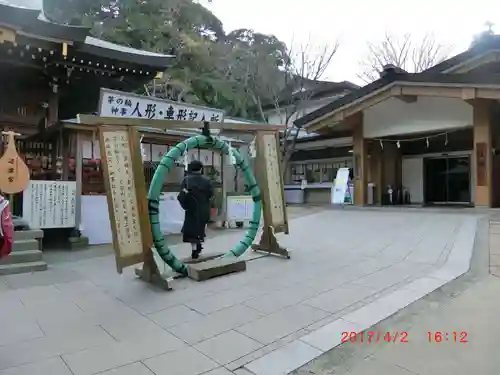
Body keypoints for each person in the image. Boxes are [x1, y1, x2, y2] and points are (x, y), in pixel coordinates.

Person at [177, 160, 214, 259]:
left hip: (191, 209)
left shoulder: (186, 180)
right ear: (201, 169)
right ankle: (199, 244)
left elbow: (181, 195)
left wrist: (185, 205)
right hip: (203, 208)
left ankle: (194, 249)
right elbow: (210, 195)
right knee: (200, 228)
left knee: (191, 231)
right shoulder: (207, 181)